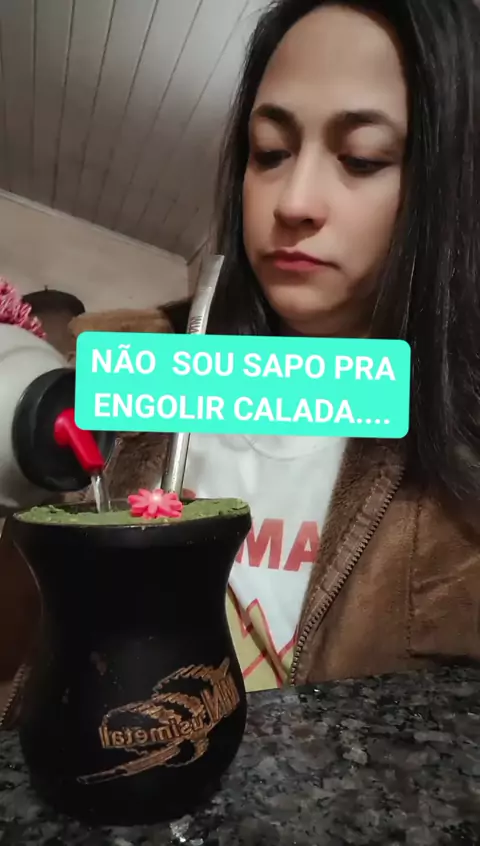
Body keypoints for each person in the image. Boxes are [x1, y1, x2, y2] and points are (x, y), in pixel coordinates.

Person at [3, 0, 480, 718]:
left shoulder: (459, 443)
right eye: (269, 152)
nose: (294, 202)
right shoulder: (107, 371)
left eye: (362, 159)